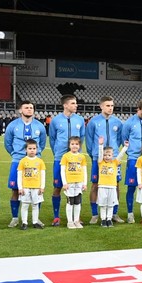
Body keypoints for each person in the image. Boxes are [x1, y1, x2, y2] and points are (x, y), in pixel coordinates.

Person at [4, 101, 47, 228]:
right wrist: (14, 154)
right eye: (26, 108)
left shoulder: (40, 126)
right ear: (20, 110)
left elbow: (42, 143)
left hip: (35, 163)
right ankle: (15, 218)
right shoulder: (12, 125)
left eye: (31, 108)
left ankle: (36, 218)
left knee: (37, 190)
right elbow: (8, 142)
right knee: (15, 189)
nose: (29, 110)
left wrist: (36, 155)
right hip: (18, 161)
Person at [48, 94, 85, 227]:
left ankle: (76, 217)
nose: (76, 105)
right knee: (57, 187)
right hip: (59, 158)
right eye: (73, 103)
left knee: (76, 188)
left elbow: (82, 137)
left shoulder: (80, 120)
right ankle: (56, 216)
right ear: (65, 105)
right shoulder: (56, 120)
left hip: (76, 160)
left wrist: (77, 154)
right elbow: (52, 139)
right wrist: (57, 152)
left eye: (76, 103)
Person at [85, 96, 122, 224]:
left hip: (113, 159)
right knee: (95, 184)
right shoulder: (93, 122)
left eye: (112, 106)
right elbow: (89, 140)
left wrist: (114, 152)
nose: (110, 108)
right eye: (107, 105)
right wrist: (94, 154)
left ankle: (114, 213)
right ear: (101, 106)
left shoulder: (117, 122)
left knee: (116, 185)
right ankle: (95, 214)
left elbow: (119, 140)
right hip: (98, 158)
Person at [119, 100, 142, 223]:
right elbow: (124, 139)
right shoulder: (129, 122)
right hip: (133, 158)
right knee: (132, 187)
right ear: (138, 109)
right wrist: (131, 151)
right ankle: (130, 213)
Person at [95, 138, 127, 227]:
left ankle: (109, 219)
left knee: (110, 204)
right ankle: (103, 219)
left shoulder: (115, 162)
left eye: (109, 155)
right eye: (105, 155)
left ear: (112, 155)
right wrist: (101, 145)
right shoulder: (101, 162)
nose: (107, 157)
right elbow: (100, 154)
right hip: (102, 186)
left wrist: (125, 147)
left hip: (112, 186)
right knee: (103, 204)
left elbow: (120, 156)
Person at [16, 139, 47, 230]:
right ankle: (24, 223)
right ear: (26, 149)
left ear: (37, 149)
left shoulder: (40, 161)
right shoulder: (22, 161)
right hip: (25, 186)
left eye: (34, 148)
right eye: (30, 148)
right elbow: (19, 175)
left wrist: (42, 187)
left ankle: (35, 222)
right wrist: (20, 187)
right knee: (25, 205)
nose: (32, 150)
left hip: (36, 187)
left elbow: (42, 174)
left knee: (35, 205)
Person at [60, 136, 88, 229]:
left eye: (76, 144)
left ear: (79, 145)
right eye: (72, 144)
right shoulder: (66, 156)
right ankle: (70, 221)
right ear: (69, 145)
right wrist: (64, 182)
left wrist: (84, 183)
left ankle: (76, 220)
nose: (74, 146)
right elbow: (62, 170)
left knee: (77, 202)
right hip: (70, 182)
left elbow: (84, 170)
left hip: (79, 182)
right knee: (70, 202)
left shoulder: (82, 157)